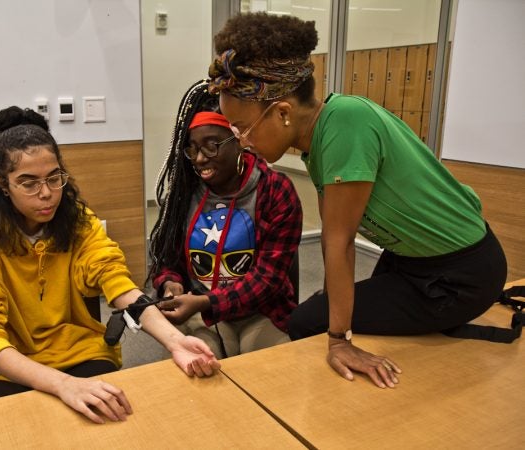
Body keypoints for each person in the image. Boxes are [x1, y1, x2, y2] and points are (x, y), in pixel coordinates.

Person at [207, 13, 507, 388]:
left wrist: (340, 341)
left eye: (243, 128)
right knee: (330, 305)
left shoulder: (346, 122)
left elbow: (339, 242)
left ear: (282, 112)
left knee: (310, 321)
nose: (242, 140)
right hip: (410, 261)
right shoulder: (320, 136)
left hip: (460, 276)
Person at [0, 106, 220, 424]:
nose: (46, 194)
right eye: (28, 183)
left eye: (54, 178)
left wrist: (175, 341)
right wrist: (63, 386)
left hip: (72, 349)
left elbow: (118, 284)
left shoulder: (77, 220)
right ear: (3, 185)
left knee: (108, 421)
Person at [148, 80, 303, 359]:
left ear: (240, 140)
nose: (199, 159)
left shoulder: (275, 190)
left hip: (260, 311)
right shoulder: (184, 193)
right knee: (198, 367)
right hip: (200, 312)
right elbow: (167, 260)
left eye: (212, 146)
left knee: (276, 370)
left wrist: (206, 302)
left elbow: (267, 280)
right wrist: (171, 285)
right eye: (192, 148)